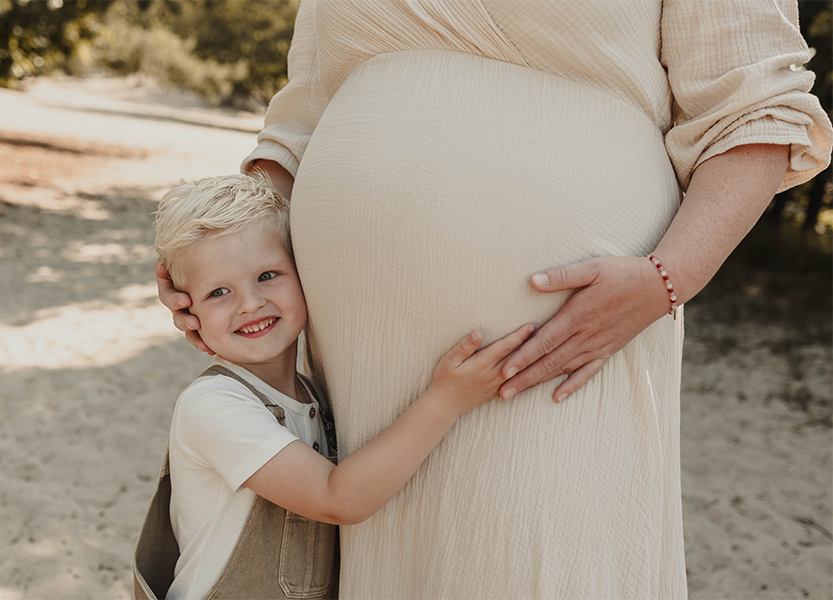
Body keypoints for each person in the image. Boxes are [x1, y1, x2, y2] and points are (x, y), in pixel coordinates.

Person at [157, 2, 832, 597]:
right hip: (362, 356)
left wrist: (668, 278)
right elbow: (302, 113)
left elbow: (758, 102)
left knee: (538, 555)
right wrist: (222, 265)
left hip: (562, 338)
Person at [137, 173, 535, 599]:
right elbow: (337, 498)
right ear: (185, 309)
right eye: (218, 292)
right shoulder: (213, 406)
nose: (250, 303)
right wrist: (445, 402)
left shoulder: (315, 397)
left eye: (268, 275)